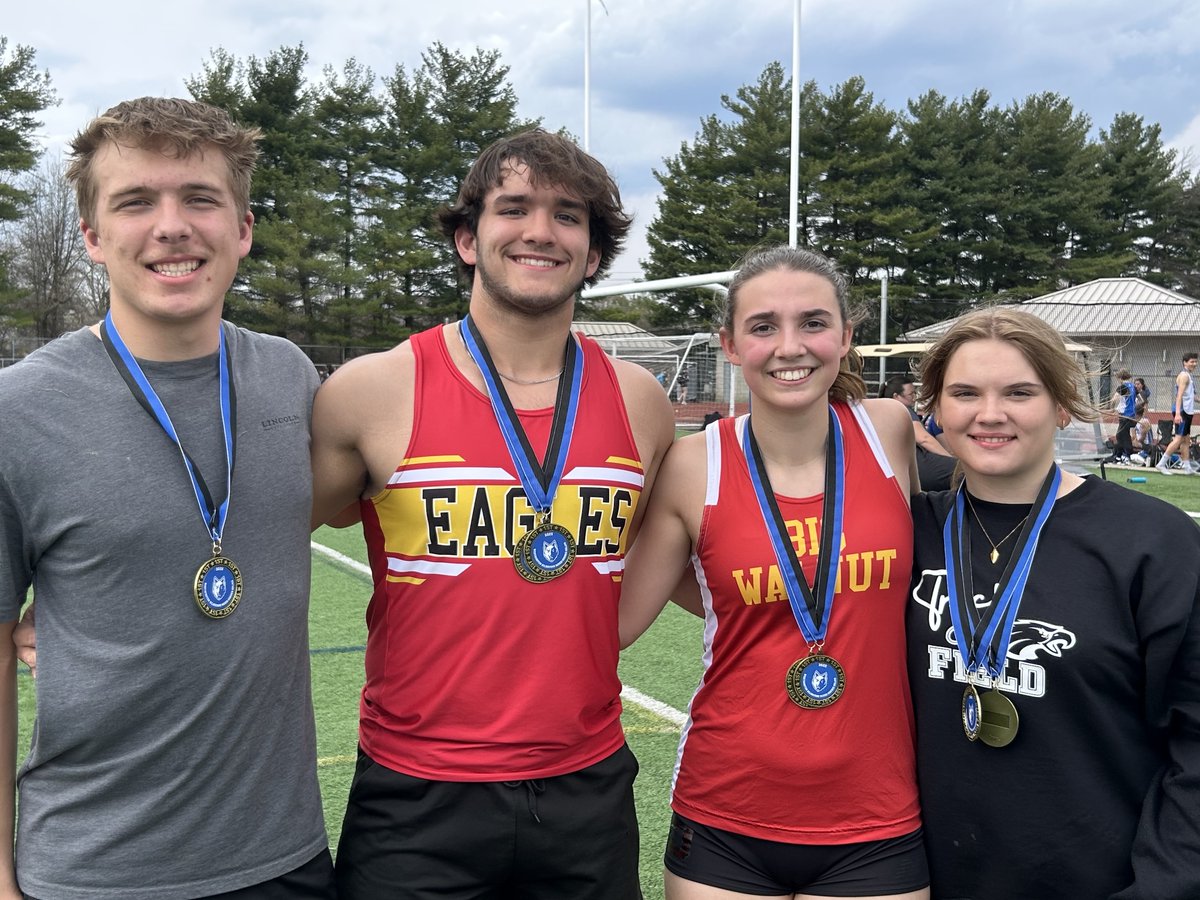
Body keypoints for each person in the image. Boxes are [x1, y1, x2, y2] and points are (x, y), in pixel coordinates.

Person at [309, 129, 675, 898]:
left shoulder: (641, 401)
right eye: (515, 208)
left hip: (587, 786)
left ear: (595, 252)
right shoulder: (375, 389)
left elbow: (678, 549)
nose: (541, 231)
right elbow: (251, 535)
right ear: (469, 238)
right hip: (417, 793)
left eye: (568, 215)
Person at [0, 98, 333, 898]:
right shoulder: (19, 412)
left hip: (285, 862)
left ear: (243, 228)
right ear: (91, 237)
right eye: (136, 201)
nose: (172, 226)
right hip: (93, 872)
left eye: (200, 198)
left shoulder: (291, 376)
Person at [619, 246, 929, 900]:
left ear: (847, 337)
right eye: (764, 327)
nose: (790, 346)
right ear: (730, 344)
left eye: (813, 323)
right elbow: (616, 619)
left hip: (877, 814)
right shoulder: (691, 465)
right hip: (725, 814)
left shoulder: (888, 432)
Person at [907, 308, 1200, 899]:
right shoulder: (904, 530)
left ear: (1062, 405)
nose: (990, 414)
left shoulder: (1151, 541)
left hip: (1097, 881)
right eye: (964, 393)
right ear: (935, 409)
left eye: (1020, 392)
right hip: (917, 881)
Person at [881, 373, 956, 491]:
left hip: (896, 471)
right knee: (961, 472)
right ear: (896, 396)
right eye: (911, 394)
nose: (915, 397)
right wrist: (951, 459)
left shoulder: (881, 412)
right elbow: (924, 439)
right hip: (919, 467)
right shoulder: (903, 410)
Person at [1156, 352, 1197, 474]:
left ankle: (1187, 468)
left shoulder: (1189, 376)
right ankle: (1161, 464)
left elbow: (1191, 396)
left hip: (1187, 411)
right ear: (1185, 362)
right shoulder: (1184, 376)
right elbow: (1179, 396)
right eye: (1192, 361)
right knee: (1179, 439)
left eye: (1195, 361)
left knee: (1186, 440)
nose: (1194, 364)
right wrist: (1178, 413)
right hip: (1182, 411)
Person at [1110, 367, 1137, 463]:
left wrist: (1111, 407)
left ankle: (1126, 454)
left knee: (1121, 435)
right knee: (1124, 434)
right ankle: (1121, 454)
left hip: (1125, 414)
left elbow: (1115, 398)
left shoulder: (1123, 387)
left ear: (1120, 377)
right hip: (1131, 414)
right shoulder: (1132, 386)